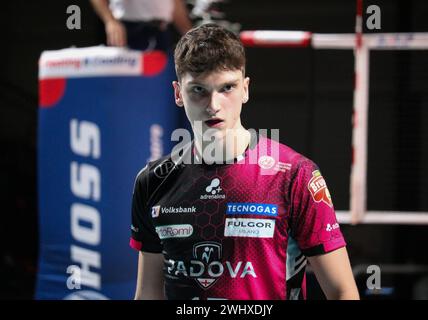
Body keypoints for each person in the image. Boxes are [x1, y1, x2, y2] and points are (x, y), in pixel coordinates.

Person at [129, 23, 360, 300]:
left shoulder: (295, 176)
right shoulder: (153, 180)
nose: (213, 105)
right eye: (199, 90)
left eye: (227, 88)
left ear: (245, 89)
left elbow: (342, 291)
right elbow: (148, 292)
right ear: (178, 93)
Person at [90, 0, 192, 51]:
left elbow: (175, 4)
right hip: (127, 32)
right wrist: (110, 21)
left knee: (161, 85)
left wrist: (190, 36)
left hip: (161, 32)